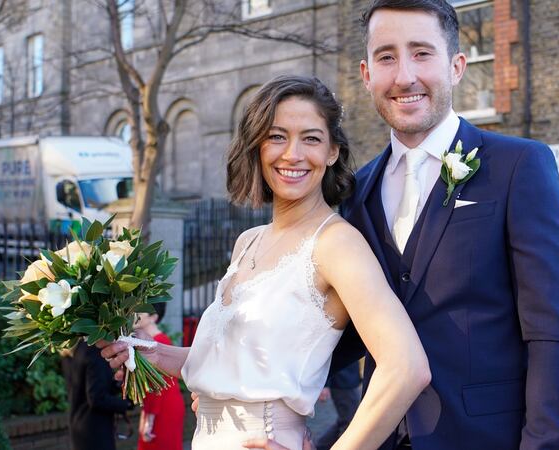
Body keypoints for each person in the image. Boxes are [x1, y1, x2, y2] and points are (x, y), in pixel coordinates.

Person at [100, 75, 431, 450]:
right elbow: (241, 365)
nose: (292, 153)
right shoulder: (248, 241)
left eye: (311, 138)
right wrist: (157, 353)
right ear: (256, 146)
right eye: (277, 136)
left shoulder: (336, 243)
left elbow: (406, 368)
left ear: (332, 151)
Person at [330, 1, 559, 448]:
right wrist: (249, 384)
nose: (405, 75)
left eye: (422, 53)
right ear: (367, 74)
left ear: (456, 66)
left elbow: (552, 334)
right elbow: (348, 335)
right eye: (387, 56)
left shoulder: (519, 165)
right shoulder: (358, 190)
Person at [61, 341, 133, 450]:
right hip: (96, 429)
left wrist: (118, 385)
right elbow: (97, 398)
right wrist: (126, 404)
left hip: (78, 425)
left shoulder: (72, 349)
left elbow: (87, 387)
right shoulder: (94, 349)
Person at [133, 303, 185, 450]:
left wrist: (149, 418)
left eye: (140, 312)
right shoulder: (153, 341)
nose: (135, 314)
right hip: (158, 405)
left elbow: (158, 385)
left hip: (163, 407)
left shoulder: (159, 341)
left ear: (153, 317)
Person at [315, 361, 362, 450]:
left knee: (346, 420)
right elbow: (328, 355)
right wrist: (324, 384)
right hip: (341, 381)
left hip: (349, 379)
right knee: (350, 423)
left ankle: (319, 446)